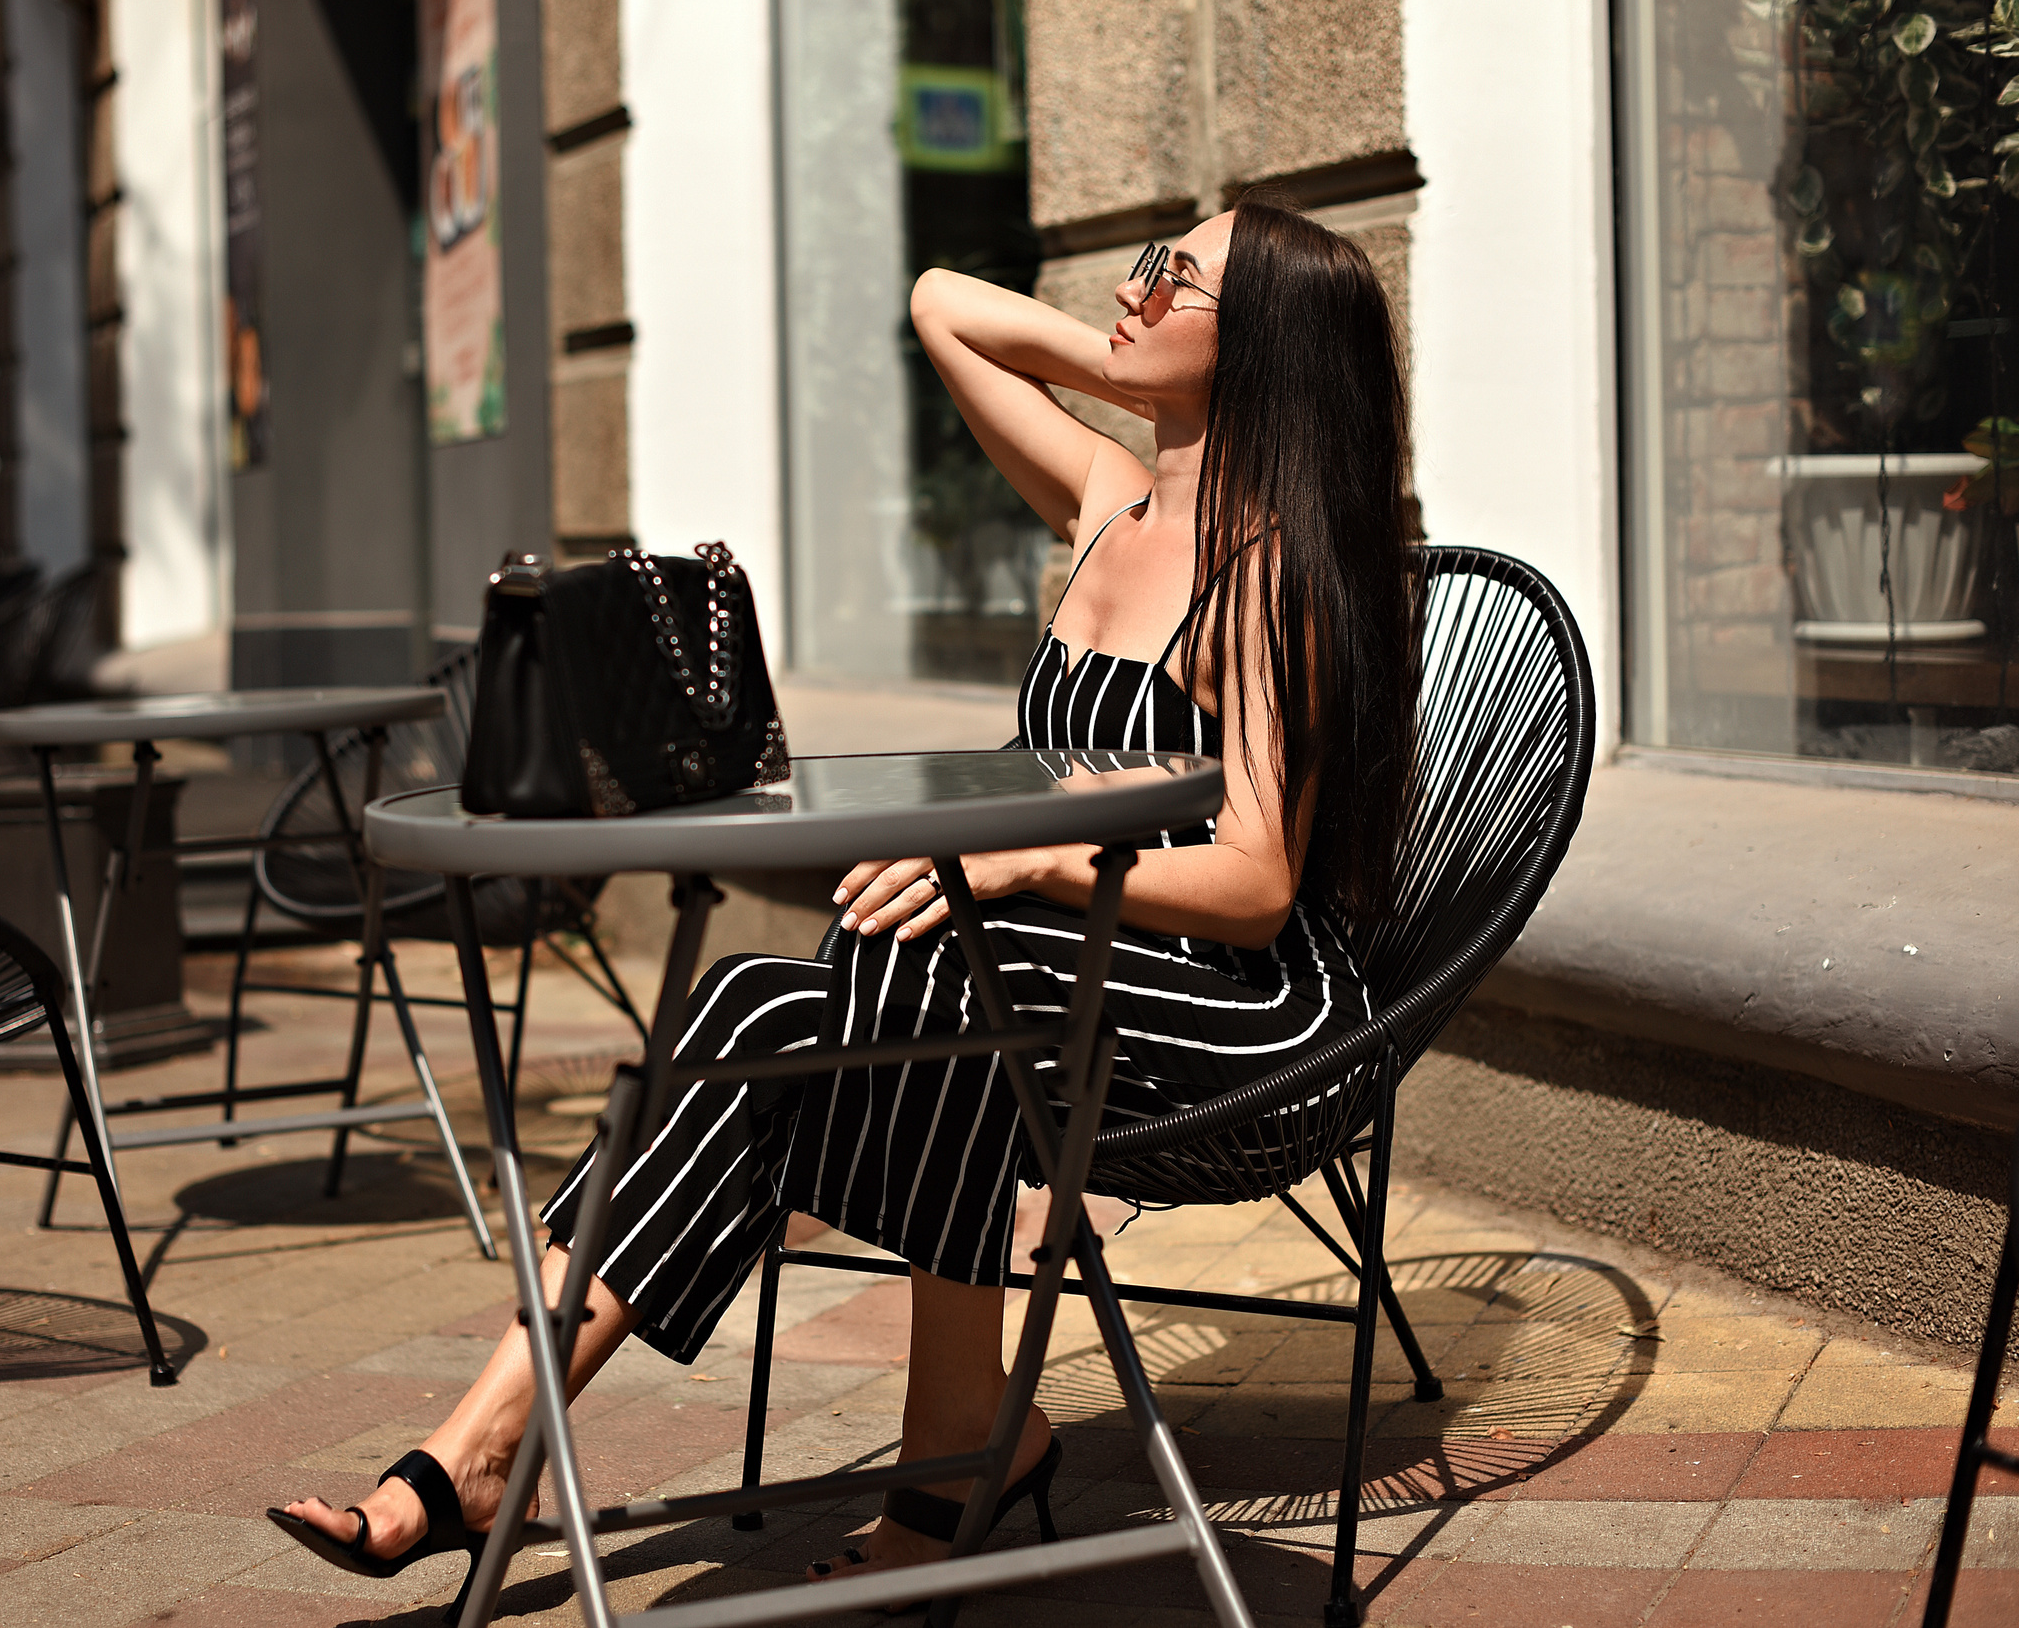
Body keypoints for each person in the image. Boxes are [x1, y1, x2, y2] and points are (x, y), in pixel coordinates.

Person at [269, 194, 1420, 1609]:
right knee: (762, 993)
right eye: (1148, 261)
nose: (1134, 287)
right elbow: (942, 296)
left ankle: (948, 1442)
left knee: (941, 964)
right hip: (1055, 968)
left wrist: (1019, 862)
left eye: (1173, 275)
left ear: (1263, 347)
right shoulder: (1106, 492)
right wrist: (1131, 358)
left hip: (1245, 1007)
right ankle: (491, 1434)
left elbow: (1254, 882)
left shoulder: (1269, 570)